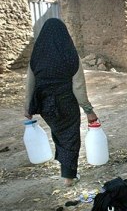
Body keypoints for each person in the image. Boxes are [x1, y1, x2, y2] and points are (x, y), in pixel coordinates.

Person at [24, 18, 98, 187]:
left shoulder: (37, 56)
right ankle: (69, 176)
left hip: (44, 105)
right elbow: (78, 87)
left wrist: (27, 107)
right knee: (70, 137)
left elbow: (30, 83)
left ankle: (66, 171)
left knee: (59, 134)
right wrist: (89, 110)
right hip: (66, 103)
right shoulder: (70, 55)